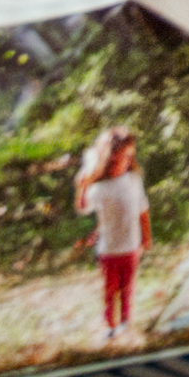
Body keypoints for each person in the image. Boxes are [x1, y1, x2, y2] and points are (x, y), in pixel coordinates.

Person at [72, 122, 146, 348]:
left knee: (127, 288)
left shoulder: (133, 181)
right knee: (110, 289)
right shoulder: (99, 188)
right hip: (109, 250)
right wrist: (82, 185)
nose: (120, 164)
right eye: (115, 160)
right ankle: (110, 325)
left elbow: (143, 209)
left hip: (130, 247)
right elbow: (83, 207)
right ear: (105, 159)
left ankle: (125, 322)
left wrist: (146, 238)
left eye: (126, 158)